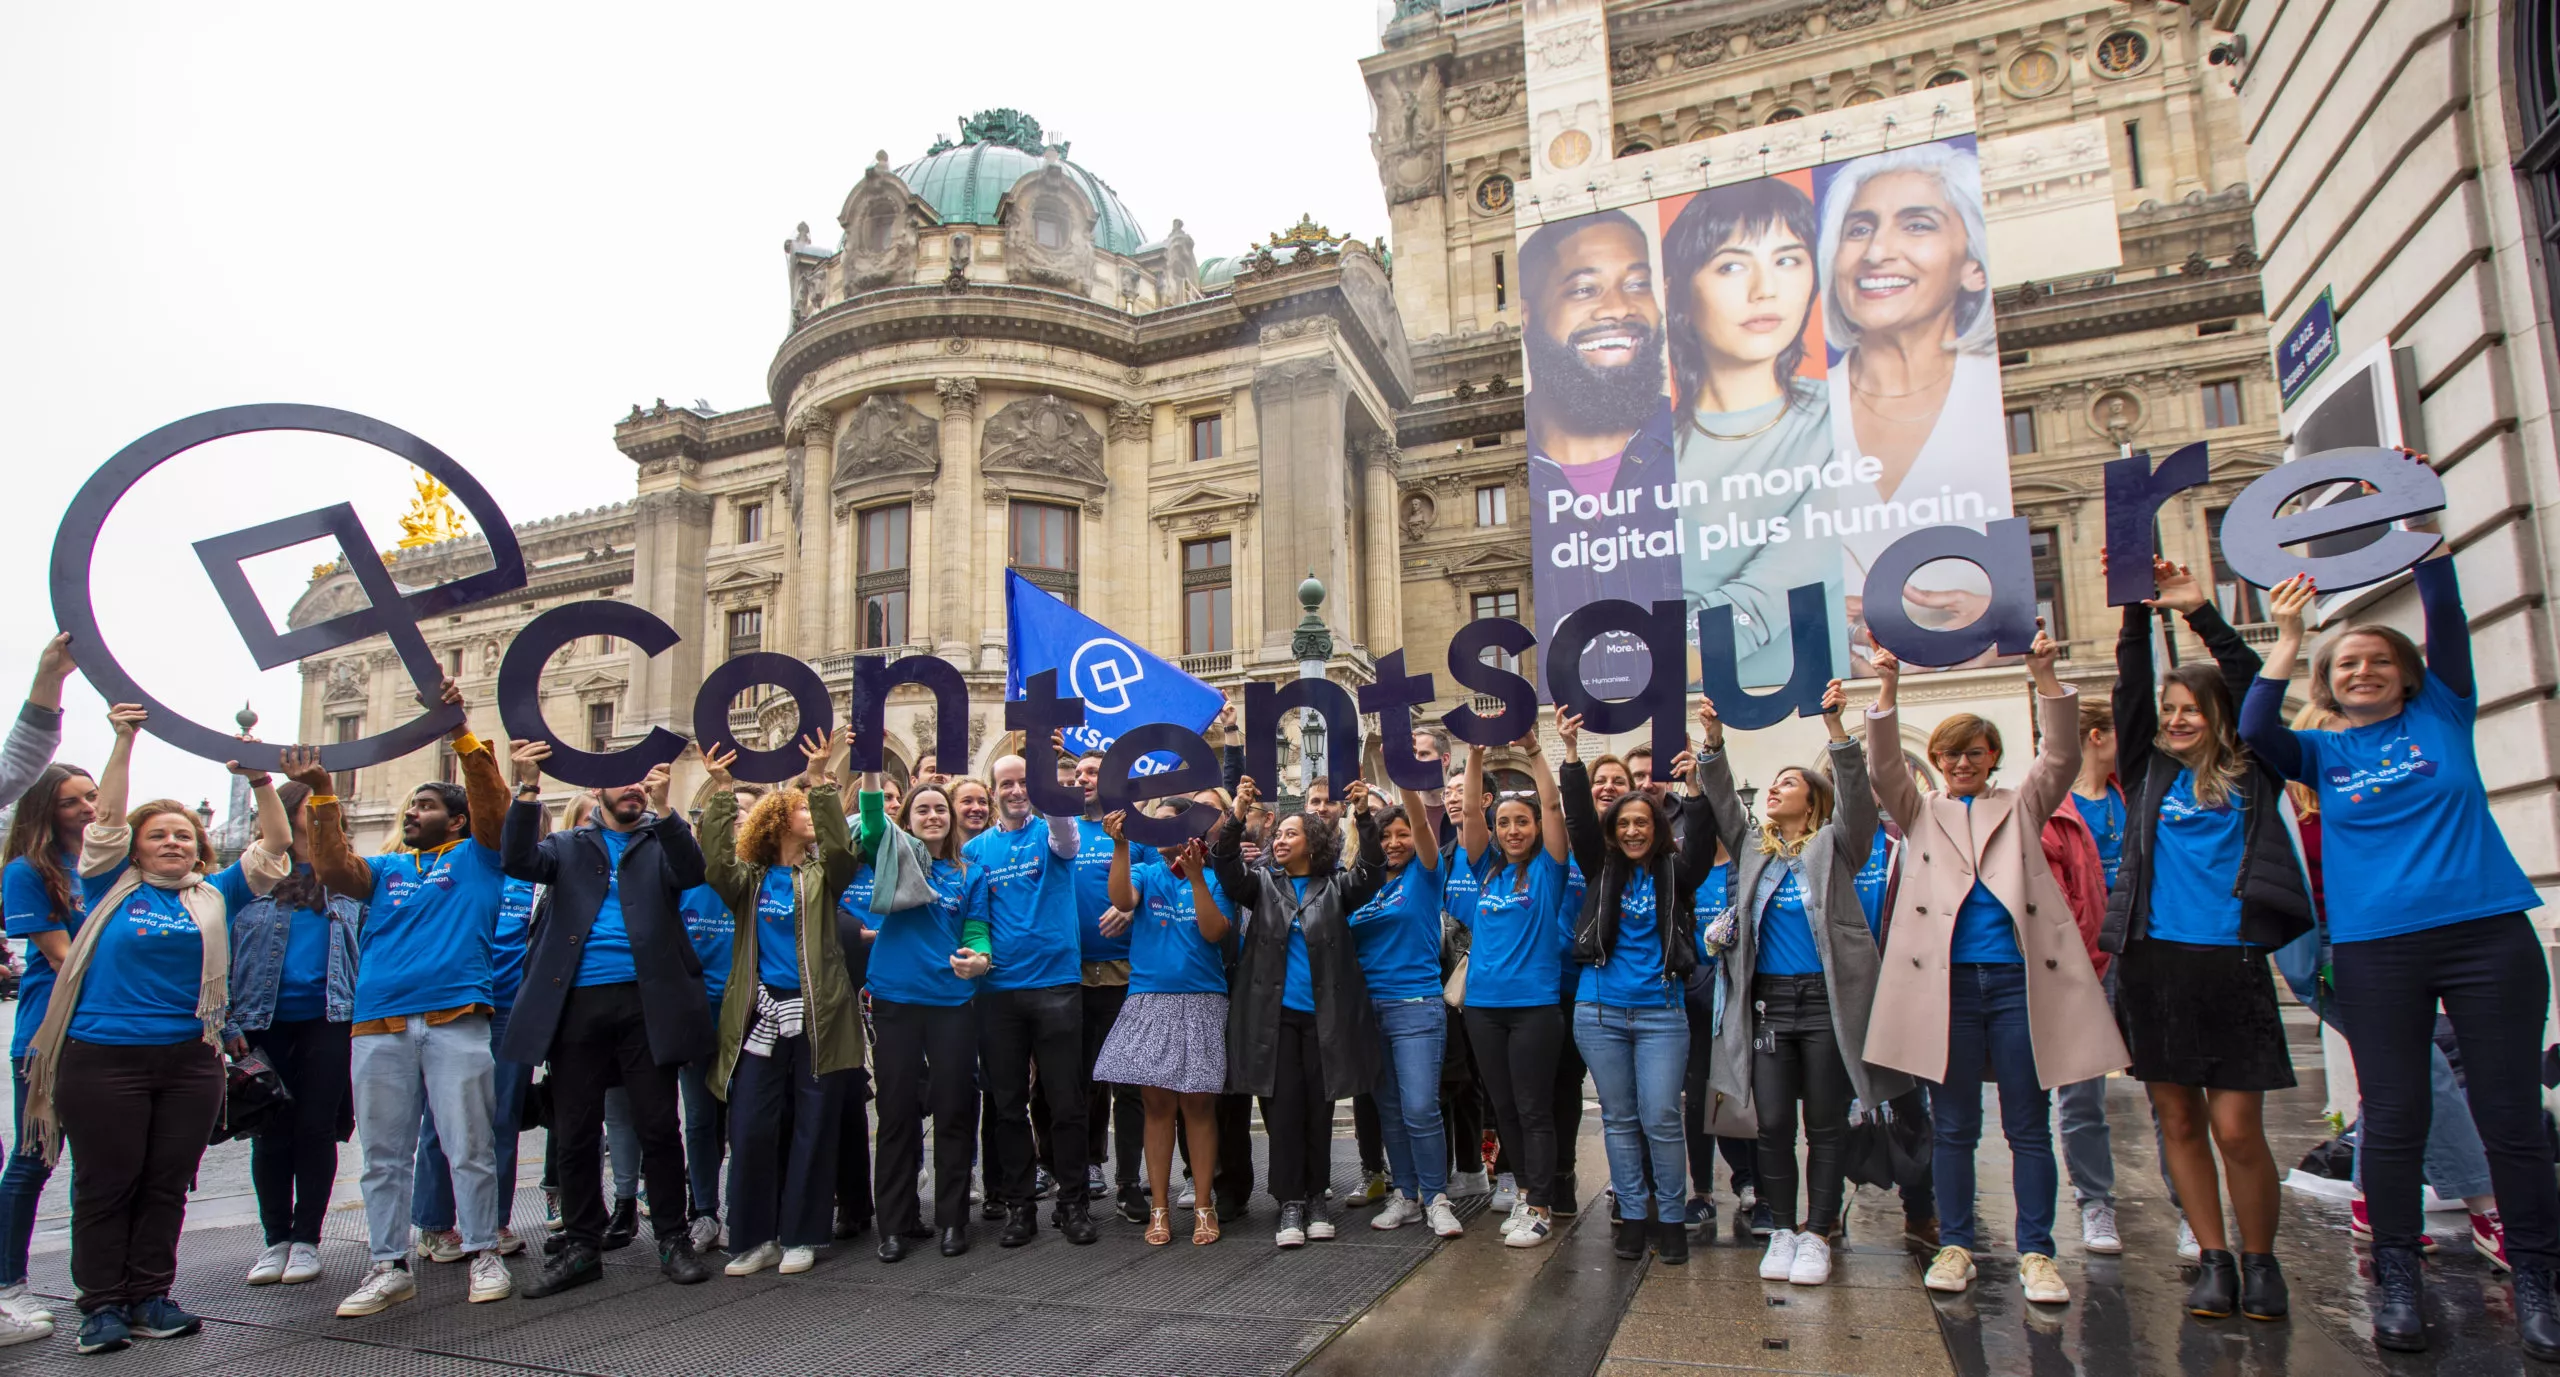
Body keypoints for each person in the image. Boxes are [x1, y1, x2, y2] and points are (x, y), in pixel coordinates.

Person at [2241, 516, 2560, 1360]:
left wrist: (2428, 540)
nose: (2364, 670)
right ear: (2331, 683)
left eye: (2380, 659)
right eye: (2347, 664)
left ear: (2408, 674)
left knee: (2511, 1118)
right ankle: (2398, 1280)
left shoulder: (2445, 714)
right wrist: (2287, 636)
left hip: (2487, 935)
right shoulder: (2321, 754)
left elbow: (2448, 623)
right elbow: (2255, 727)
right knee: (2395, 1119)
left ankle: (2538, 1277)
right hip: (2379, 949)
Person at [1863, 630, 2123, 1307]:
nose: (1960, 763)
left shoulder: (2022, 803)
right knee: (1953, 1126)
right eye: (1949, 754)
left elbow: (2061, 754)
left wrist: (2045, 676)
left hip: (2017, 984)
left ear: (1993, 757)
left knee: (2027, 1124)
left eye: (1973, 752)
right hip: (1946, 990)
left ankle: (2037, 1251)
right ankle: (1956, 1244)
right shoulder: (1922, 812)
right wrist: (1887, 689)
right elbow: (1886, 766)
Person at [25, 703, 288, 1354]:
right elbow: (107, 819)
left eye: (183, 834)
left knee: (168, 1180)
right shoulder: (112, 882)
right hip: (103, 1057)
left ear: (199, 845)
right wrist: (123, 740)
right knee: (106, 1182)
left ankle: (151, 1294)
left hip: (188, 1059)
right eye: (158, 834)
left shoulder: (216, 893)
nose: (172, 841)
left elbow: (275, 846)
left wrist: (261, 784)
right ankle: (101, 1305)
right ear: (135, 847)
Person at [2100, 557, 2311, 1321]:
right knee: (2179, 1120)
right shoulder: (2148, 772)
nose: (2177, 718)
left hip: (2233, 964)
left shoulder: (2252, 769)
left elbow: (2256, 687)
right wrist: (2131, 611)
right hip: (2153, 966)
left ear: (2217, 715)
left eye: (2192, 708)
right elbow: (2127, 693)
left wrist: (2200, 613)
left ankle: (2263, 1260)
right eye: (2171, 708)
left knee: (2235, 1127)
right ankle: (2214, 1256)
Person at [293, 680, 519, 1316]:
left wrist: (460, 734)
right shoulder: (386, 870)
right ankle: (388, 1264)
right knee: (382, 1155)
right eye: (410, 806)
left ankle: (483, 1253)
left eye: (424, 805)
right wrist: (322, 792)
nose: (410, 813)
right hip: (379, 1025)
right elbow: (333, 867)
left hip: (457, 1019)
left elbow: (495, 810)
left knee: (467, 1144)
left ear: (455, 818)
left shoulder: (480, 857)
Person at [1694, 683, 1900, 1287]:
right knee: (1775, 1120)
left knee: (1827, 1124)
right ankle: (1781, 1229)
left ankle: (1819, 1233)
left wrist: (1835, 728)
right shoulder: (1754, 849)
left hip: (1827, 1003)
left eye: (1789, 782)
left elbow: (1858, 801)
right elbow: (1723, 799)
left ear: (1812, 803)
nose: (1776, 788)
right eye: (1775, 783)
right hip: (1769, 1006)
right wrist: (1712, 741)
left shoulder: (1837, 846)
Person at [498, 739, 716, 1296]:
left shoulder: (661, 841)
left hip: (648, 1003)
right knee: (574, 1131)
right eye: (623, 781)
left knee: (659, 1127)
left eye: (642, 781)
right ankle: (580, 1245)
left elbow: (693, 872)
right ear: (597, 789)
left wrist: (668, 811)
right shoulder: (567, 845)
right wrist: (526, 790)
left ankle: (672, 1238)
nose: (634, 789)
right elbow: (519, 861)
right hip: (576, 1004)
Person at [1816, 143, 2009, 667]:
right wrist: (1822, 632)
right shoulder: (1793, 418)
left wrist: (2001, 620)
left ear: (1973, 265)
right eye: (1858, 229)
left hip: (1988, 687)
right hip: (1843, 692)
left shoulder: (1991, 398)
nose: (1877, 251)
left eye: (1916, 225)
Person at [1661, 177, 1844, 681]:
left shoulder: (1847, 420)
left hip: (1816, 703)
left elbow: (1766, 597)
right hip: (1682, 714)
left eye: (1788, 259)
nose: (1765, 289)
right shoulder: (1645, 450)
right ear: (1677, 291)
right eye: (1732, 265)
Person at [1558, 705, 1720, 1267]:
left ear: (1657, 830)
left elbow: (1699, 840)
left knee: (1661, 1117)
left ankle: (1670, 1219)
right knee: (1620, 1119)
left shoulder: (1677, 873)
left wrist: (1695, 787)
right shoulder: (1602, 870)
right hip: (1599, 1011)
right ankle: (1632, 1214)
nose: (1631, 830)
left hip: (1661, 1014)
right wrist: (1571, 756)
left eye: (1641, 824)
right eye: (1623, 824)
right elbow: (1578, 819)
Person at [698, 735, 865, 1277]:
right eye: (798, 809)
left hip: (818, 1015)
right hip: (759, 1016)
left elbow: (842, 848)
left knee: (814, 1126)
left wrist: (816, 780)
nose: (809, 816)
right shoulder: (747, 881)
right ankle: (752, 1237)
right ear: (775, 822)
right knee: (750, 1125)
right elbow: (716, 860)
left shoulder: (821, 875)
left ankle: (803, 1234)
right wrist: (723, 790)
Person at [1210, 776, 1387, 1249]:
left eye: (1291, 834)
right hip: (1273, 1022)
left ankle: (1315, 1199)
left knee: (1319, 1111)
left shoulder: (1337, 888)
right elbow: (1224, 864)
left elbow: (1372, 868)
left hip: (1325, 1022)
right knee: (1282, 1112)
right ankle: (1289, 1201)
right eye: (1278, 834)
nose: (1280, 840)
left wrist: (1363, 815)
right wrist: (1237, 812)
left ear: (1314, 842)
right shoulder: (1263, 886)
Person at [1521, 210, 1681, 696]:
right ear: (1526, 314)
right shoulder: (1524, 464)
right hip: (1565, 705)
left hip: (1689, 693)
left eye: (1637, 284)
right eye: (1584, 289)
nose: (1619, 308)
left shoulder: (1703, 437)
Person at [225, 779, 364, 1289]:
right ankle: (274, 1240)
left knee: (316, 1129)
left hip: (331, 1019)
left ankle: (307, 1239)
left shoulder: (351, 879)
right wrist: (227, 1022)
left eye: (327, 812)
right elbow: (219, 956)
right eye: (308, 810)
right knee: (269, 1131)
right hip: (262, 1021)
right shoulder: (249, 880)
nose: (319, 819)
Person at [1447, 733, 1579, 1248]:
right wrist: (1475, 753)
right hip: (1483, 1009)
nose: (1512, 830)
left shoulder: (1549, 871)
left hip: (1535, 1010)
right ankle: (1525, 1194)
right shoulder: (1486, 872)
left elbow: (1551, 802)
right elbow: (1472, 819)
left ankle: (1542, 1205)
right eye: (1504, 823)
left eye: (1521, 822)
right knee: (1503, 1109)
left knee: (1533, 1107)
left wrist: (1534, 751)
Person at [854, 780, 991, 1260]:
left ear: (951, 818)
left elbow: (976, 931)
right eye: (922, 810)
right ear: (907, 819)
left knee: (955, 1109)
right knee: (895, 1114)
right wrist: (871, 775)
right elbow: (871, 822)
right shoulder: (890, 857)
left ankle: (953, 1220)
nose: (932, 816)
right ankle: (894, 1224)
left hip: (952, 1003)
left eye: (940, 809)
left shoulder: (970, 874)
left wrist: (980, 960)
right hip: (895, 1001)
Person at [966, 750, 1097, 1247]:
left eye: (1024, 782)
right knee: (1007, 1107)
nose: (1016, 791)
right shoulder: (977, 852)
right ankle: (1021, 1207)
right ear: (994, 792)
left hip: (1056, 985)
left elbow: (1065, 833)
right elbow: (975, 918)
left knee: (1066, 1102)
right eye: (1007, 784)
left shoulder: (1055, 833)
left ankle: (1073, 1203)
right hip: (998, 992)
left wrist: (1050, 780)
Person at [1100, 802, 1234, 1245]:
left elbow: (1215, 932)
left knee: (1198, 1108)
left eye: (1166, 822)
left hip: (1202, 1000)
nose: (1156, 830)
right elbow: (1121, 900)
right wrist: (1120, 846)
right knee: (1156, 1109)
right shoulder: (1144, 871)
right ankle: (1159, 1208)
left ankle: (1202, 1204)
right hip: (1149, 998)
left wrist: (1197, 878)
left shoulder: (1216, 877)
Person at [0, 635, 82, 1345]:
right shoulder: (31, 870)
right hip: (46, 1037)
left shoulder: (85, 866)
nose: (88, 809)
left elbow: (18, 765)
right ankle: (5, 1286)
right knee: (28, 1159)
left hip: (92, 1038)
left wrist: (48, 677)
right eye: (74, 802)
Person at [1343, 775, 1465, 1240]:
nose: (1394, 842)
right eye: (1385, 834)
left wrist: (1404, 775)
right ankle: (1407, 1194)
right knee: (1390, 1109)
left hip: (1416, 1007)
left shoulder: (1425, 876)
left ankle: (1436, 1197)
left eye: (1402, 834)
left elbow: (1421, 823)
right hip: (1368, 1011)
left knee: (1419, 1107)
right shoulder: (1361, 883)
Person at [2054, 697, 2124, 1258]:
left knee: (2172, 1095)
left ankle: (2188, 1211)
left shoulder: (2136, 795)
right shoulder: (2053, 806)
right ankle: (2094, 1201)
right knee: (2081, 1096)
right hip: (2086, 962)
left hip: (2147, 954)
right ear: (2097, 737)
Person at [1068, 750, 1151, 1222]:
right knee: (1078, 1083)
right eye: (1077, 773)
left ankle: (1129, 1182)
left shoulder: (1136, 832)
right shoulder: (1061, 832)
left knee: (1131, 1087)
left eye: (1092, 771)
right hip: (1072, 979)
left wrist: (1130, 904)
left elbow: (1153, 884)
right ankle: (1083, 1171)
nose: (1082, 778)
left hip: (1125, 976)